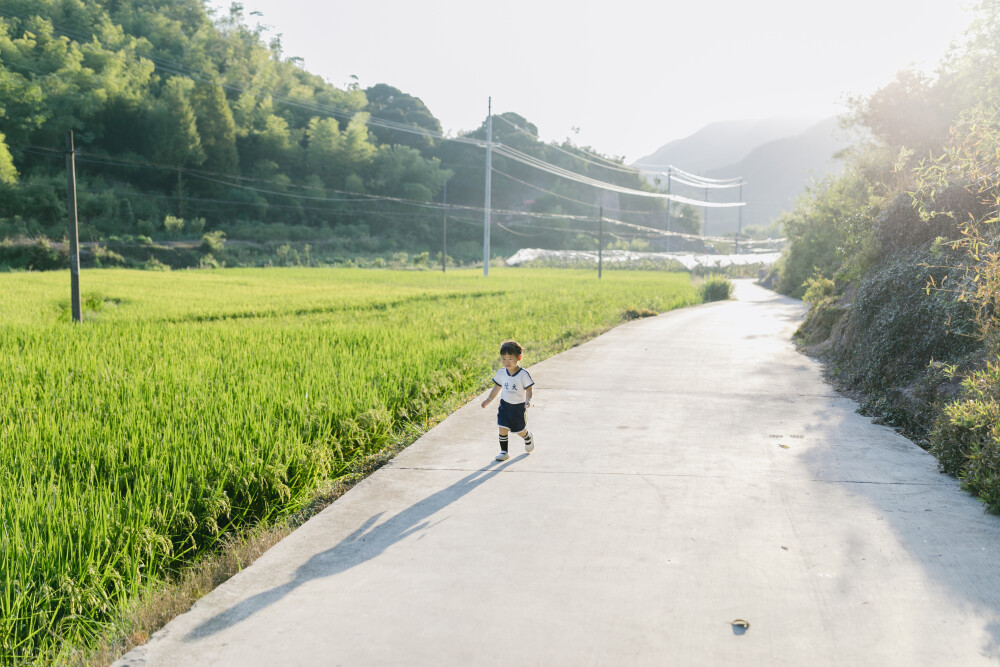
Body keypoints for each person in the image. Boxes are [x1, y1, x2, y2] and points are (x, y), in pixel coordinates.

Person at [481, 340, 535, 461]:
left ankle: (527, 436)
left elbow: (529, 389)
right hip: (504, 405)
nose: (506, 362)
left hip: (518, 407)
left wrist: (528, 399)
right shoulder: (501, 373)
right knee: (502, 427)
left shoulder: (523, 374)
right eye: (503, 359)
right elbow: (496, 388)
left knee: (519, 430)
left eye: (510, 359)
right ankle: (504, 451)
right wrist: (488, 400)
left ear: (519, 357)